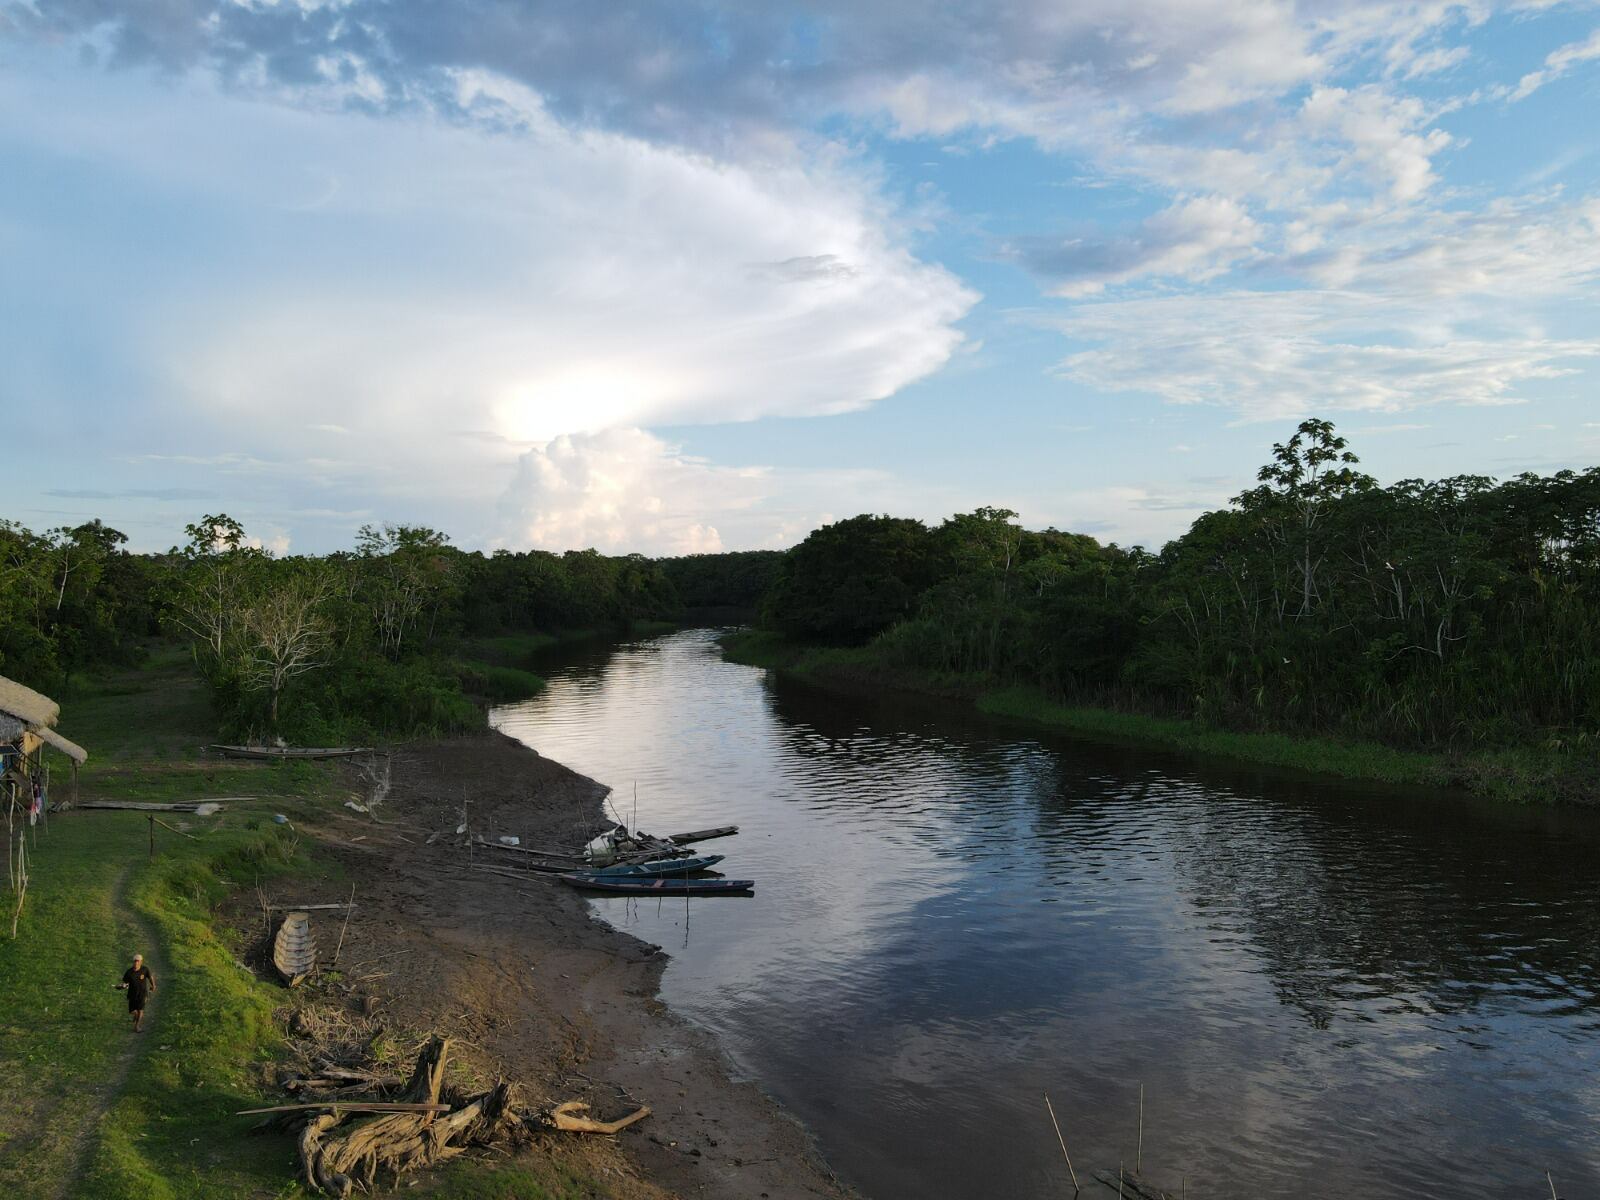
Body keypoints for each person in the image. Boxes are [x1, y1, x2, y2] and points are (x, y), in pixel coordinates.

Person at [115, 953, 156, 1032]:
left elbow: (150, 977)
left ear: (141, 962)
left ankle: (137, 1026)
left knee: (140, 1010)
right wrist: (120, 987)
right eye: (135, 961)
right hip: (132, 994)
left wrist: (153, 985)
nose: (136, 963)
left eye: (138, 961)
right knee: (132, 1011)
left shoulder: (145, 969)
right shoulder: (129, 972)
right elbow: (125, 983)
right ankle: (136, 1015)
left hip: (142, 994)